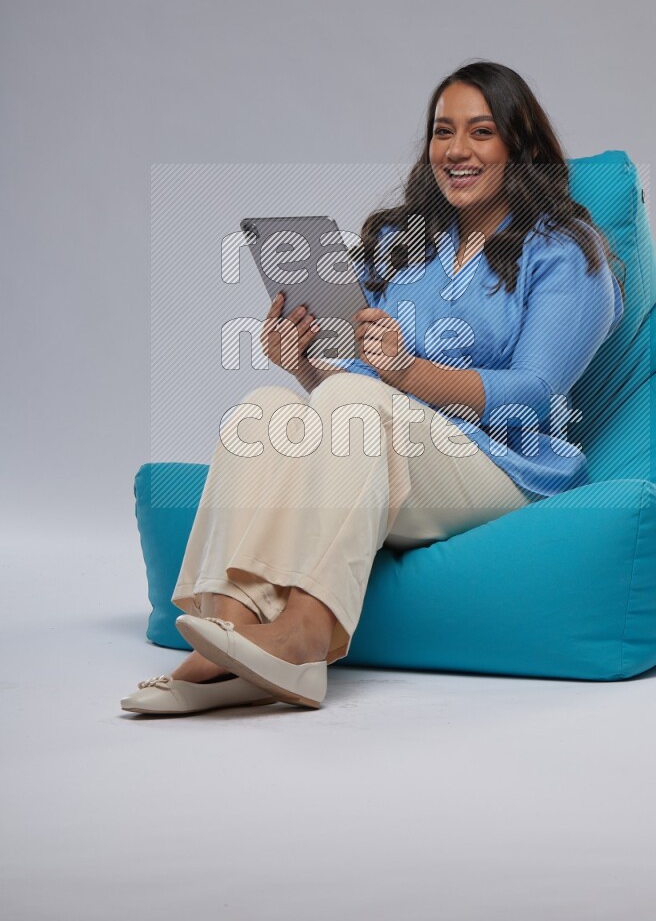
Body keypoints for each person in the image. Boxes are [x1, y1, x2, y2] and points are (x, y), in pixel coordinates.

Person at [121, 60, 625, 716]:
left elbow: (535, 394)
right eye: (443, 131)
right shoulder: (398, 241)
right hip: (387, 448)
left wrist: (407, 371)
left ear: (520, 147)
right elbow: (354, 381)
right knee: (265, 409)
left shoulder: (566, 251)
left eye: (481, 132)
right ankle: (230, 629)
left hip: (503, 468)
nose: (456, 150)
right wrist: (303, 363)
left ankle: (304, 631)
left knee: (355, 404)